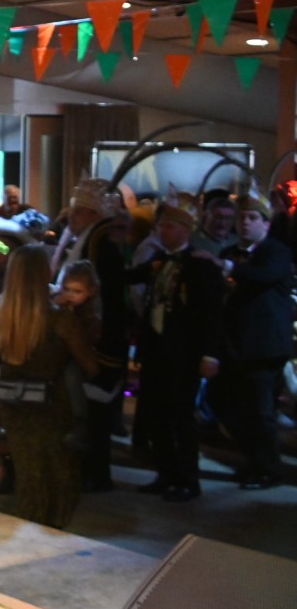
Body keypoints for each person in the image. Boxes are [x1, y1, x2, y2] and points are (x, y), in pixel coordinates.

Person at [128, 196, 224, 502]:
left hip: (184, 354)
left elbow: (211, 314)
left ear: (185, 230)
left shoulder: (200, 265)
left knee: (181, 418)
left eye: (169, 226)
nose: (162, 231)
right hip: (156, 351)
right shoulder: (158, 261)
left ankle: (188, 479)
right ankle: (166, 473)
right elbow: (129, 276)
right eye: (161, 225)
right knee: (155, 416)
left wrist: (210, 354)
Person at [0, 245, 98, 528]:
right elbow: (90, 364)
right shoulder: (59, 317)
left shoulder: (3, 311)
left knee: (29, 475)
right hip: (53, 404)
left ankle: (31, 532)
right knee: (60, 477)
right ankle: (53, 535)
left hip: (13, 403)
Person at [51, 178, 131, 489]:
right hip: (90, 338)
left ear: (94, 215)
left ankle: (96, 474)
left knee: (94, 411)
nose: (72, 217)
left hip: (97, 342)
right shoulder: (92, 241)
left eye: (79, 211)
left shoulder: (99, 245)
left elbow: (99, 299)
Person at [216, 192, 293, 489]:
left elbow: (262, 276)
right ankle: (253, 459)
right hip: (234, 345)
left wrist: (230, 269)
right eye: (242, 218)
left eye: (252, 218)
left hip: (264, 345)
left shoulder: (276, 252)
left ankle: (268, 469)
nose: (245, 223)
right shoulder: (229, 252)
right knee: (225, 403)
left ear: (266, 223)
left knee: (261, 412)